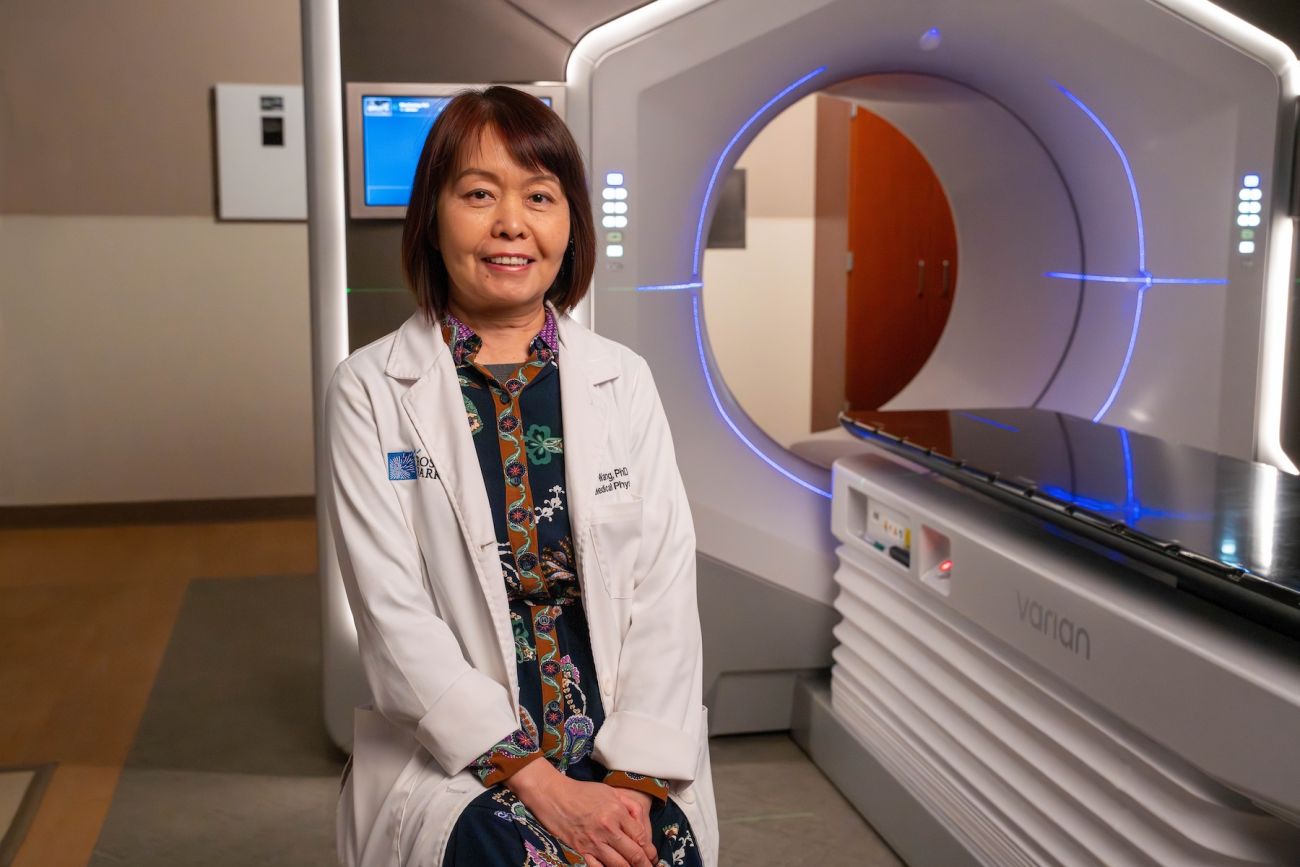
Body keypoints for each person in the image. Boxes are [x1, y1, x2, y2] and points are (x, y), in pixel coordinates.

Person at [325, 86, 718, 867]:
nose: (511, 223)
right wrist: (544, 785)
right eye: (478, 194)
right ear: (434, 220)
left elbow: (666, 593)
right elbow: (392, 616)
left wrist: (634, 782)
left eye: (539, 196)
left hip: (620, 741)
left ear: (569, 224)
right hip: (468, 754)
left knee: (656, 854)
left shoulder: (622, 379)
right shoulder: (370, 390)